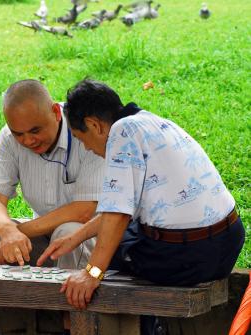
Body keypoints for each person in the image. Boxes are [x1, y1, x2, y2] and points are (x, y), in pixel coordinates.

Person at [37, 79, 245, 332]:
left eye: (82, 139)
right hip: (227, 243)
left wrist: (91, 273)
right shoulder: (150, 122)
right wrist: (78, 236)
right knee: (126, 237)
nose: (88, 148)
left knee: (111, 254)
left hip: (190, 256)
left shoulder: (122, 133)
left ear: (94, 125)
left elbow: (117, 214)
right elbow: (123, 207)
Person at [0, 79, 105, 335]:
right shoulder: (8, 138)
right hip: (42, 243)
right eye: (19, 133)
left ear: (55, 112)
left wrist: (21, 232)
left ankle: (71, 325)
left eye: (35, 130)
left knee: (68, 230)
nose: (28, 140)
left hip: (91, 241)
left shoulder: (84, 130)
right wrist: (7, 231)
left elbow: (84, 210)